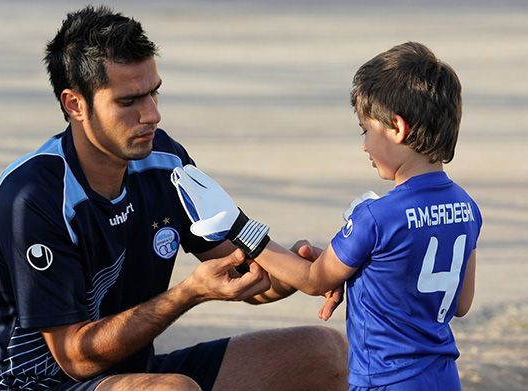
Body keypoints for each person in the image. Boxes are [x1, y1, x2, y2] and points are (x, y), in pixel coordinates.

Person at [0, 5, 348, 391]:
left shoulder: (164, 161)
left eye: (153, 93)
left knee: (324, 352)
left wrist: (294, 268)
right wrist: (189, 293)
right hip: (38, 383)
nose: (152, 114)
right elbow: (74, 358)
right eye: (129, 101)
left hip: (131, 373)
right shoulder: (32, 195)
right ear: (75, 104)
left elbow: (240, 273)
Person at [172, 42, 482, 390]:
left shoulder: (376, 217)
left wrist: (241, 227)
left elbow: (314, 279)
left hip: (384, 380)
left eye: (366, 130)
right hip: (442, 378)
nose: (364, 145)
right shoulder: (467, 207)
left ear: (397, 128)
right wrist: (363, 270)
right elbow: (460, 303)